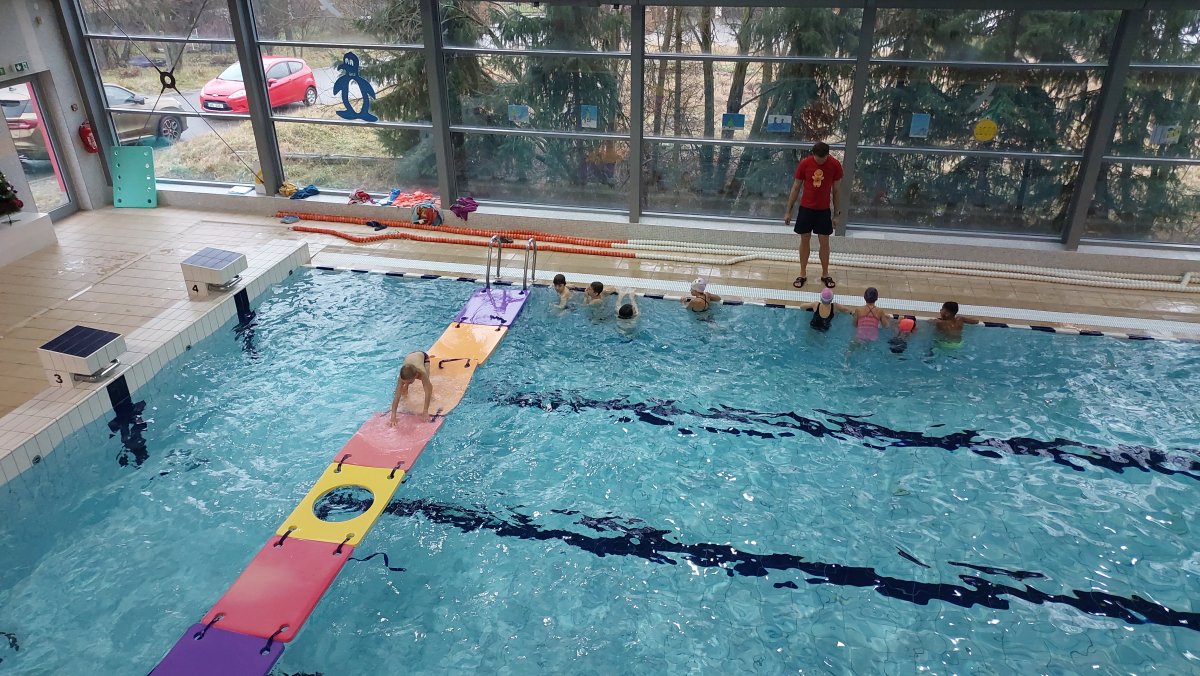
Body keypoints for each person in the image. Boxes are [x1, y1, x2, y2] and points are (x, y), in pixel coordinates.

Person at [784, 141, 844, 290]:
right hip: (806, 209)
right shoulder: (805, 164)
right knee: (805, 240)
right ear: (813, 154)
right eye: (818, 159)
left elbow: (837, 191)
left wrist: (837, 214)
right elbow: (796, 187)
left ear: (828, 155)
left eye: (823, 159)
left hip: (823, 210)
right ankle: (802, 273)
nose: (820, 162)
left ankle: (825, 273)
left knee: (824, 242)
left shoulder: (835, 165)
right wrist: (788, 211)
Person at [389, 350, 433, 424]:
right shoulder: (401, 377)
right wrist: (393, 415)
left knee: (428, 384)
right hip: (410, 356)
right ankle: (406, 386)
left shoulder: (422, 373)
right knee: (402, 388)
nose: (406, 382)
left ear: (416, 376)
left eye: (409, 382)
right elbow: (397, 396)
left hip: (423, 356)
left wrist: (425, 411)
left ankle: (432, 395)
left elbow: (427, 392)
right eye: (404, 382)